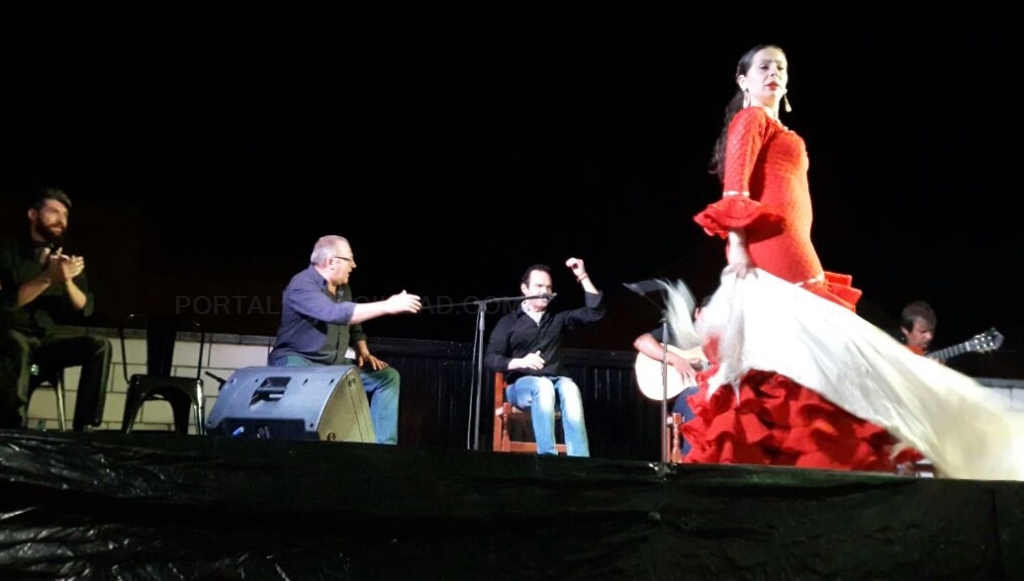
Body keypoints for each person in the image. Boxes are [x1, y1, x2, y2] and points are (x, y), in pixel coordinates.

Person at [669, 44, 1023, 480]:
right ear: (742, 81)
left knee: (810, 357)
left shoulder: (783, 130)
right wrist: (739, 246)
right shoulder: (751, 119)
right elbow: (734, 191)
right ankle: (798, 460)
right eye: (763, 67)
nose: (773, 73)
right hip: (772, 254)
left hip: (798, 251)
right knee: (809, 355)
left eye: (780, 67)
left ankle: (805, 462)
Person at [267, 235, 422, 445]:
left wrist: (363, 350)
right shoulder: (302, 284)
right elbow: (333, 313)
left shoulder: (342, 288)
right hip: (299, 360)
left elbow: (353, 323)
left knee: (387, 377)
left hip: (331, 365)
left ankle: (384, 450)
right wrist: (387, 306)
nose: (354, 265)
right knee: (303, 385)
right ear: (331, 261)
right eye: (349, 259)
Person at [0, 187, 111, 431]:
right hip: (9, 338)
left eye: (65, 214)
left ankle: (85, 429)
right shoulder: (7, 252)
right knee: (15, 343)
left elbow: (85, 309)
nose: (61, 219)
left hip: (45, 342)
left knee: (99, 345)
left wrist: (67, 280)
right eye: (53, 211)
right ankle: (12, 433)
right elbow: (6, 302)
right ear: (33, 215)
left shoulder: (66, 260)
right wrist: (48, 278)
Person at [484, 258, 604, 457]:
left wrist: (582, 276)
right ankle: (548, 457)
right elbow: (490, 358)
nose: (545, 290)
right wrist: (520, 362)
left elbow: (595, 312)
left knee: (570, 387)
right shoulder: (509, 322)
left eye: (548, 287)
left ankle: (579, 460)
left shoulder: (558, 319)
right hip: (521, 387)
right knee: (542, 386)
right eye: (539, 285)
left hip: (555, 384)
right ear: (525, 288)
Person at [632, 294, 711, 456]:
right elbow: (641, 342)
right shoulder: (681, 333)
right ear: (697, 313)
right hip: (680, 398)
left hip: (711, 397)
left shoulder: (722, 344)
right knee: (697, 396)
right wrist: (676, 360)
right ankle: (693, 461)